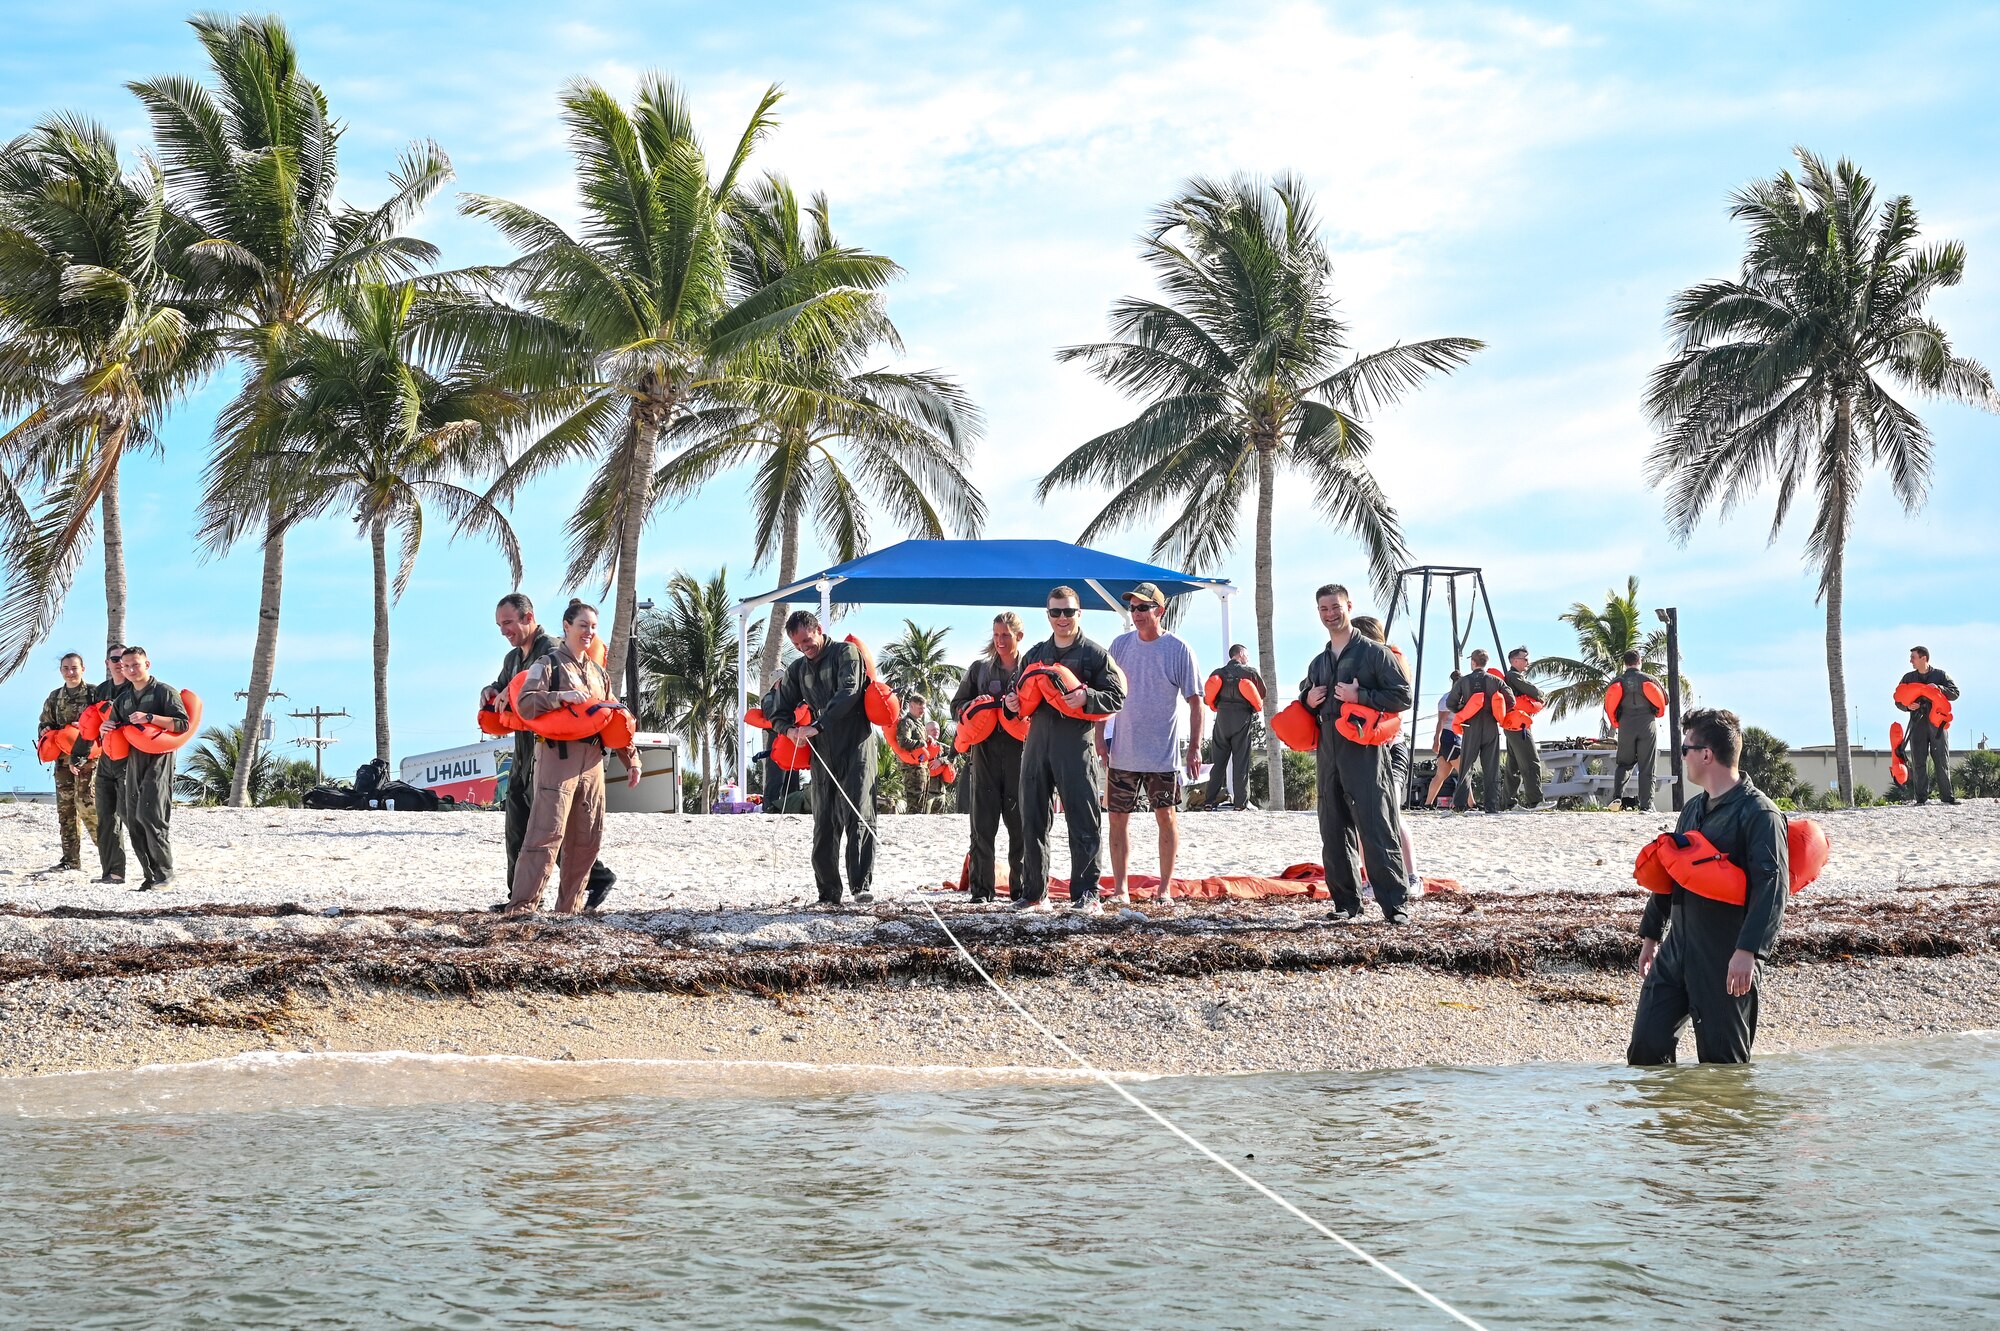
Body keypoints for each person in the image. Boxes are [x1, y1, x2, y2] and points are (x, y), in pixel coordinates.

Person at [1627, 708, 1788, 1065]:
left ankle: (1729, 1124)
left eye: (1685, 749)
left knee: (1723, 1068)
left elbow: (1773, 888)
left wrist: (1749, 952)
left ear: (1706, 754)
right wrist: (1651, 937)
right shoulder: (1692, 810)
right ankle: (1669, 1121)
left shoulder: (1760, 813)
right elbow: (1672, 874)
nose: (1682, 756)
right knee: (1645, 1054)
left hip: (1726, 954)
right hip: (1676, 950)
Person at [505, 601, 641, 915]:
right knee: (546, 833)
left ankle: (570, 909)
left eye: (593, 627)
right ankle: (522, 906)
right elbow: (525, 704)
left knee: (587, 839)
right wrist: (560, 697)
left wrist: (631, 759)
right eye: (583, 626)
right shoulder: (547, 664)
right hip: (557, 758)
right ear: (567, 627)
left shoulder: (598, 674)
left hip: (592, 760)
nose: (589, 633)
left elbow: (613, 717)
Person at [1298, 584, 1413, 924]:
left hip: (1364, 750)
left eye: (1335, 607)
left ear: (1349, 606)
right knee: (1332, 828)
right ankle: (1346, 905)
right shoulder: (1319, 662)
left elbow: (1402, 696)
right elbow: (1305, 696)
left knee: (1376, 824)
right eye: (1324, 609)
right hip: (1328, 749)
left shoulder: (1375, 653)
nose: (1330, 614)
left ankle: (1395, 906)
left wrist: (1360, 695)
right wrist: (1307, 701)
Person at [1014, 586, 1126, 914]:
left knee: (1083, 818)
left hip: (1076, 744)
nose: (1062, 618)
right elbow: (1018, 697)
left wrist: (1087, 698)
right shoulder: (1034, 654)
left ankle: (1086, 893)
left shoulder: (1095, 654)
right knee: (1032, 818)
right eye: (1055, 612)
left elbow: (1117, 696)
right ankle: (1034, 892)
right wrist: (1011, 703)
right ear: (1047, 615)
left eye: (1068, 611)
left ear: (1080, 613)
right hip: (1036, 744)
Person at [1104, 583, 1202, 908]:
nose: (1137, 614)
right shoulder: (1119, 645)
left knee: (1167, 817)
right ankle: (1120, 888)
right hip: (1123, 752)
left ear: (1159, 611)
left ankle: (1164, 888)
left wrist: (1195, 748)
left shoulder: (1179, 649)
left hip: (1163, 756)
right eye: (1133, 608)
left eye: (1144, 608)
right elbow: (1104, 695)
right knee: (1117, 819)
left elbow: (1196, 702)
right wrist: (1099, 738)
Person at [772, 610, 877, 907]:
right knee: (824, 822)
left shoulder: (846, 653)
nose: (805, 649)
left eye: (807, 641)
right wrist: (789, 730)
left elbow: (849, 692)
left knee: (859, 814)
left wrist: (817, 725)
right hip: (821, 751)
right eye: (798, 646)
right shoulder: (796, 670)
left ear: (818, 629)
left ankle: (861, 886)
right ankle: (828, 893)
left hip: (855, 744)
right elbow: (779, 710)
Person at [952, 612, 1028, 903]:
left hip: (1019, 755)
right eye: (996, 635)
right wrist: (974, 707)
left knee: (1020, 826)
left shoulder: (1029, 669)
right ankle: (981, 890)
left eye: (1006, 635)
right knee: (982, 826)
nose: (1000, 641)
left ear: (1018, 637)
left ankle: (1021, 888)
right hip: (983, 755)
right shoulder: (979, 670)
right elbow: (956, 705)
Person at [1350, 616, 1421, 899]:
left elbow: (1399, 700)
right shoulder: (1361, 666)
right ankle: (1370, 880)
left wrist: (1361, 695)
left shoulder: (1388, 663)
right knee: (1363, 817)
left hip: (1391, 747)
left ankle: (1413, 876)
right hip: (1366, 749)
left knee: (1391, 813)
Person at [110, 647, 190, 891]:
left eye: (136, 664)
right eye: (127, 666)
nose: (132, 670)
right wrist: (106, 729)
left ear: (147, 664)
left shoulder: (164, 692)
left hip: (159, 759)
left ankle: (165, 873)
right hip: (133, 760)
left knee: (150, 815)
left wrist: (150, 718)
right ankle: (150, 875)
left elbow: (182, 724)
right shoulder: (122, 699)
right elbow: (114, 725)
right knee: (131, 817)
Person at [38, 652, 99, 873]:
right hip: (63, 762)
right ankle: (70, 860)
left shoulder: (94, 693)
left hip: (88, 760)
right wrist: (45, 730)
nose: (70, 672)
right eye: (65, 668)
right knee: (66, 811)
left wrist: (83, 725)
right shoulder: (54, 697)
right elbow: (45, 723)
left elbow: (105, 720)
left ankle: (108, 857)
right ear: (61, 671)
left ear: (83, 668)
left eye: (74, 667)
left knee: (88, 805)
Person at [1447, 650, 1512, 815]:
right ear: (1486, 662)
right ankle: (1492, 806)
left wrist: (1463, 710)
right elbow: (1511, 701)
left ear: (1473, 662)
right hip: (1491, 725)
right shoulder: (1496, 681)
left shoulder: (1463, 681)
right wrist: (1499, 713)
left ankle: (1460, 805)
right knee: (1491, 767)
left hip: (1471, 726)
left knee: (1466, 765)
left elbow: (1450, 703)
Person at [1200, 644, 1265, 811]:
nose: (1248, 659)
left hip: (1222, 718)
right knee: (1240, 761)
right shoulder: (1250, 672)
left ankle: (1209, 801)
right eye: (1247, 655)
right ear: (1241, 654)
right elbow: (1261, 694)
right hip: (1242, 717)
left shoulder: (1218, 673)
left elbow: (1208, 697)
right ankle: (1240, 804)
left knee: (1217, 762)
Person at [1897, 646, 1961, 805]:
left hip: (1938, 725)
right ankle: (1920, 799)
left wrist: (1939, 688)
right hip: (1917, 723)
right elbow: (1898, 700)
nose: (1910, 660)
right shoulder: (1908, 677)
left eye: (1913, 657)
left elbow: (1955, 693)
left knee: (1941, 760)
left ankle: (1947, 797)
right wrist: (1907, 707)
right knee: (1918, 760)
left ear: (1923, 658)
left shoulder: (1940, 675)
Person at [1610, 650, 1666, 812]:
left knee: (1624, 764)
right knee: (1647, 766)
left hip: (1626, 725)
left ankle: (1617, 797)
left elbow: (1610, 703)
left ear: (1624, 663)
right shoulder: (1649, 679)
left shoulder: (1617, 681)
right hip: (1646, 724)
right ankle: (1646, 805)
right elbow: (1664, 699)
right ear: (1639, 661)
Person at [1502, 646, 1545, 811]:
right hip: (1519, 725)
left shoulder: (1510, 677)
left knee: (1513, 767)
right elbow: (1534, 691)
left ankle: (1508, 804)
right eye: (1525, 659)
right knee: (1531, 762)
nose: (1528, 662)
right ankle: (1536, 801)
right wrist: (1542, 695)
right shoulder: (1513, 676)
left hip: (1511, 725)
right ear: (1515, 661)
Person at [1422, 674, 1462, 810]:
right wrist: (1436, 739)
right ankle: (1470, 803)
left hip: (1452, 736)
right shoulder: (1449, 698)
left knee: (1441, 774)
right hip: (1450, 736)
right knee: (1464, 771)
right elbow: (1441, 721)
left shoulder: (1454, 697)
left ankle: (1427, 804)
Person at [895, 695, 939, 814]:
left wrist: (927, 740)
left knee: (921, 805)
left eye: (924, 708)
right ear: (911, 706)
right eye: (920, 708)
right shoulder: (907, 722)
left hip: (922, 768)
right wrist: (922, 742)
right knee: (914, 806)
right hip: (912, 770)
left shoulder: (919, 723)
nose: (922, 711)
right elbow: (903, 741)